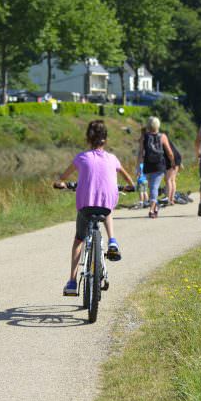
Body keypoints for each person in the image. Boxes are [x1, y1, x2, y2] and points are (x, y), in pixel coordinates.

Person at [55, 120, 134, 296]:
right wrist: (129, 187)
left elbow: (61, 179)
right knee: (107, 208)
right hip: (105, 207)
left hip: (85, 207)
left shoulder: (82, 157)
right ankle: (112, 240)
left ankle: (72, 281)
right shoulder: (113, 159)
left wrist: (60, 183)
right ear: (105, 140)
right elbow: (130, 182)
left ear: (88, 139)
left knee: (79, 240)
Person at [137, 116, 176, 219]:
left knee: (153, 188)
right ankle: (155, 206)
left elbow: (140, 153)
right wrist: (172, 163)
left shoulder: (144, 137)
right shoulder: (163, 136)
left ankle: (151, 209)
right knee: (152, 188)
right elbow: (169, 152)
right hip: (159, 165)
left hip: (148, 166)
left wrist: (138, 166)